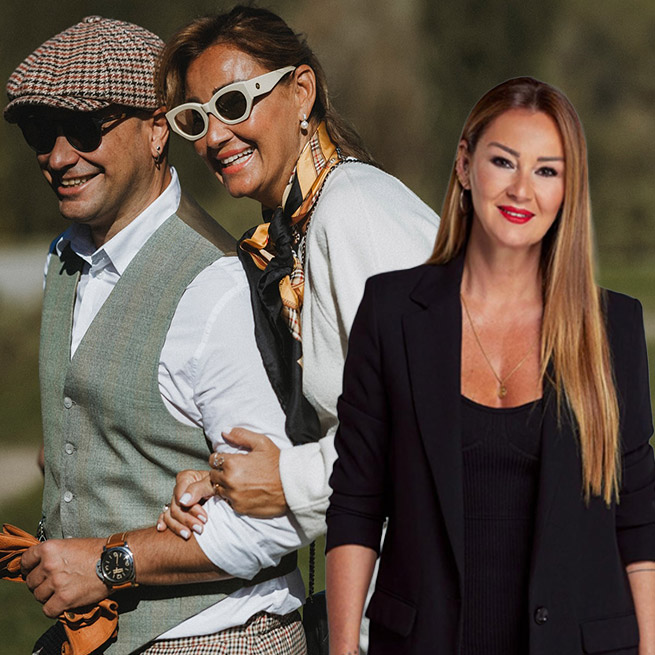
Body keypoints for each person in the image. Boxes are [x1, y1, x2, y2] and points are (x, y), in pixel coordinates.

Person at [5, 15, 308, 655]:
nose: (58, 157)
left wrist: (106, 563)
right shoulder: (64, 259)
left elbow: (275, 519)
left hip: (219, 638)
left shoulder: (215, 286)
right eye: (39, 132)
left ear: (156, 129)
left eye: (86, 129)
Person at [325, 76, 655, 654]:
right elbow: (357, 499)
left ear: (568, 189)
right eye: (504, 161)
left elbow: (639, 518)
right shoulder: (391, 311)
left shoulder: (612, 328)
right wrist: (343, 645)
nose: (522, 189)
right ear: (464, 165)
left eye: (547, 170)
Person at [155, 6, 439, 648]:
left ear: (301, 92)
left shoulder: (357, 213)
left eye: (233, 103)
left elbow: (430, 426)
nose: (213, 137)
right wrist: (229, 482)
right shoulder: (304, 229)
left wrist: (286, 483)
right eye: (194, 119)